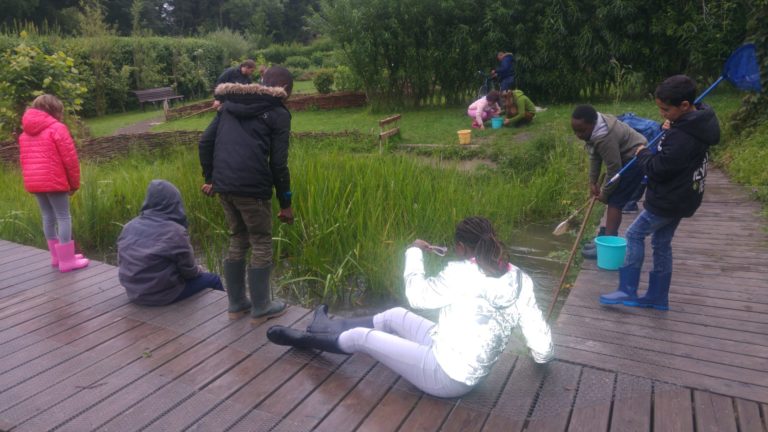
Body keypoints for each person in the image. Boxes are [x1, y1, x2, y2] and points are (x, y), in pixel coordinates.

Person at [267, 216, 554, 398]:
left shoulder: (461, 273)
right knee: (394, 315)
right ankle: (325, 325)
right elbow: (535, 324)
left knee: (361, 338)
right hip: (456, 353)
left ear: (460, 248)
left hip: (448, 376)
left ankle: (304, 339)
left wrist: (414, 251)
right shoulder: (520, 277)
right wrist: (543, 355)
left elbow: (417, 296)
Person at [601, 75, 720, 309]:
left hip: (668, 199)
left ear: (684, 105)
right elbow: (675, 152)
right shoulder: (695, 124)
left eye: (666, 110)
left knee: (634, 235)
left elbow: (658, 168)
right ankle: (658, 297)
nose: (662, 114)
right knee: (661, 242)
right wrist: (672, 127)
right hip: (684, 198)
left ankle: (627, 289)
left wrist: (642, 153)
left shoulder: (683, 136)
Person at [199, 66, 294, 324]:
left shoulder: (229, 106)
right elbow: (278, 164)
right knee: (261, 240)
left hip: (225, 186)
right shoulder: (278, 113)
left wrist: (211, 179)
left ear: (262, 81)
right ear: (286, 90)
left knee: (238, 237)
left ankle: (237, 304)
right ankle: (261, 307)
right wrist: (285, 203)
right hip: (253, 188)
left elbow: (205, 142)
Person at [117, 180, 224, 306]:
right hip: (162, 295)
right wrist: (199, 269)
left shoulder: (129, 226)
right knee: (213, 279)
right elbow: (190, 273)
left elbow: (121, 261)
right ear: (175, 203)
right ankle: (226, 313)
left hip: (134, 293)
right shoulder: (175, 232)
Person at [17, 94, 89, 273]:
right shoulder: (57, 128)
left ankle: (57, 257)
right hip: (54, 180)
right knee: (63, 217)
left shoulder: (25, 132)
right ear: (54, 110)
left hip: (35, 182)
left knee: (47, 216)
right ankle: (67, 260)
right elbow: (70, 160)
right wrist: (74, 184)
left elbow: (24, 160)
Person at [570, 105, 647, 260]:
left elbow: (614, 169)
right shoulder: (594, 129)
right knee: (613, 199)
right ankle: (605, 238)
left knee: (614, 201)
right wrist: (593, 182)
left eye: (582, 131)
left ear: (592, 124)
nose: (578, 135)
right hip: (623, 158)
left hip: (635, 159)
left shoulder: (604, 137)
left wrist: (605, 193)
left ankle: (608, 244)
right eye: (575, 131)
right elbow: (595, 156)